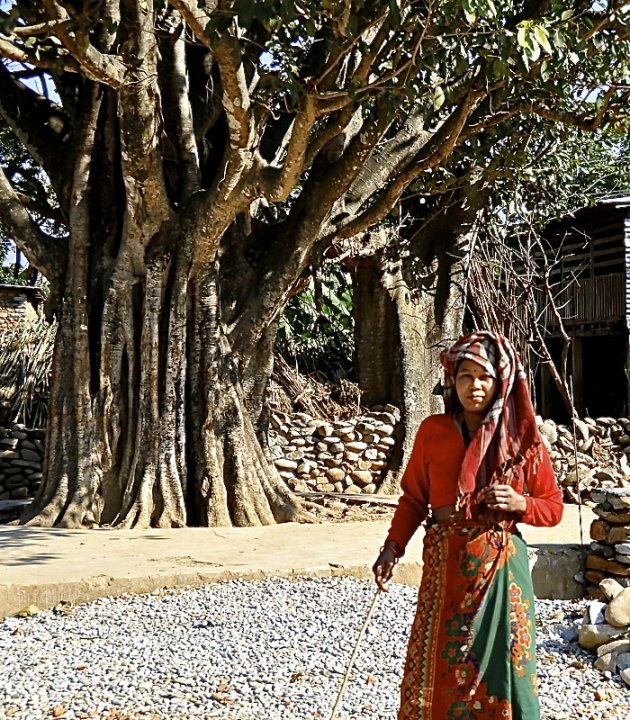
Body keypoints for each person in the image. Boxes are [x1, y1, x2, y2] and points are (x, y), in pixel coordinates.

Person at [372, 331, 563, 720]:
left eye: (484, 377)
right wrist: (392, 547)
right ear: (452, 382)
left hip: (501, 570)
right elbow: (412, 499)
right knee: (441, 661)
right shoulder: (433, 431)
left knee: (505, 664)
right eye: (465, 376)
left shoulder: (523, 441)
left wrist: (521, 503)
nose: (474, 386)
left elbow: (554, 508)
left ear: (500, 383)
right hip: (446, 570)